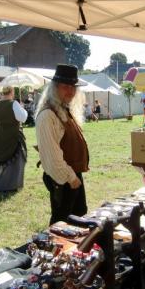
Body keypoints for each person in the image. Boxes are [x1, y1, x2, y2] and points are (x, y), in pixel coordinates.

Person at [35, 64, 89, 225]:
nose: (70, 91)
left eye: (73, 87)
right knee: (61, 222)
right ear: (55, 87)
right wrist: (71, 178)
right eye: (65, 86)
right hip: (62, 177)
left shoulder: (63, 110)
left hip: (72, 175)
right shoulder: (47, 116)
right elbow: (53, 156)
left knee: (78, 216)